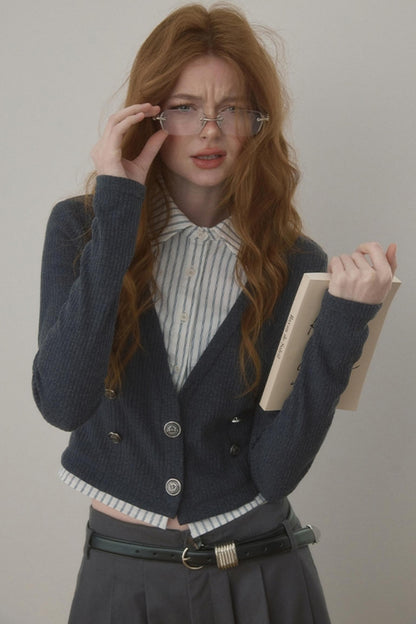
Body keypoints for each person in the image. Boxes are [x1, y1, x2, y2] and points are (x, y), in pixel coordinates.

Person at [32, 4, 397, 623]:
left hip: (263, 578)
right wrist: (118, 209)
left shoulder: (294, 262)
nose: (210, 130)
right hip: (122, 579)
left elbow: (275, 472)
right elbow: (63, 403)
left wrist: (344, 324)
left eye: (232, 109)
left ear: (258, 124)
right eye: (185, 107)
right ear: (148, 116)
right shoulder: (82, 226)